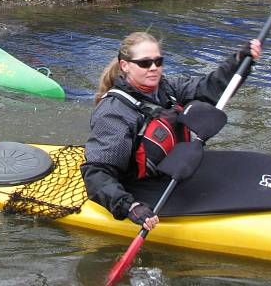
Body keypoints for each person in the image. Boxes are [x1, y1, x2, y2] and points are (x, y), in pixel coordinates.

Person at [81, 31, 261, 231]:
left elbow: (209, 89)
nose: (154, 68)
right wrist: (129, 206)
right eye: (145, 63)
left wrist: (238, 61)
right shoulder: (114, 112)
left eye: (158, 61)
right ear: (125, 66)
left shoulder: (167, 89)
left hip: (172, 173)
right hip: (138, 189)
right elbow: (96, 173)